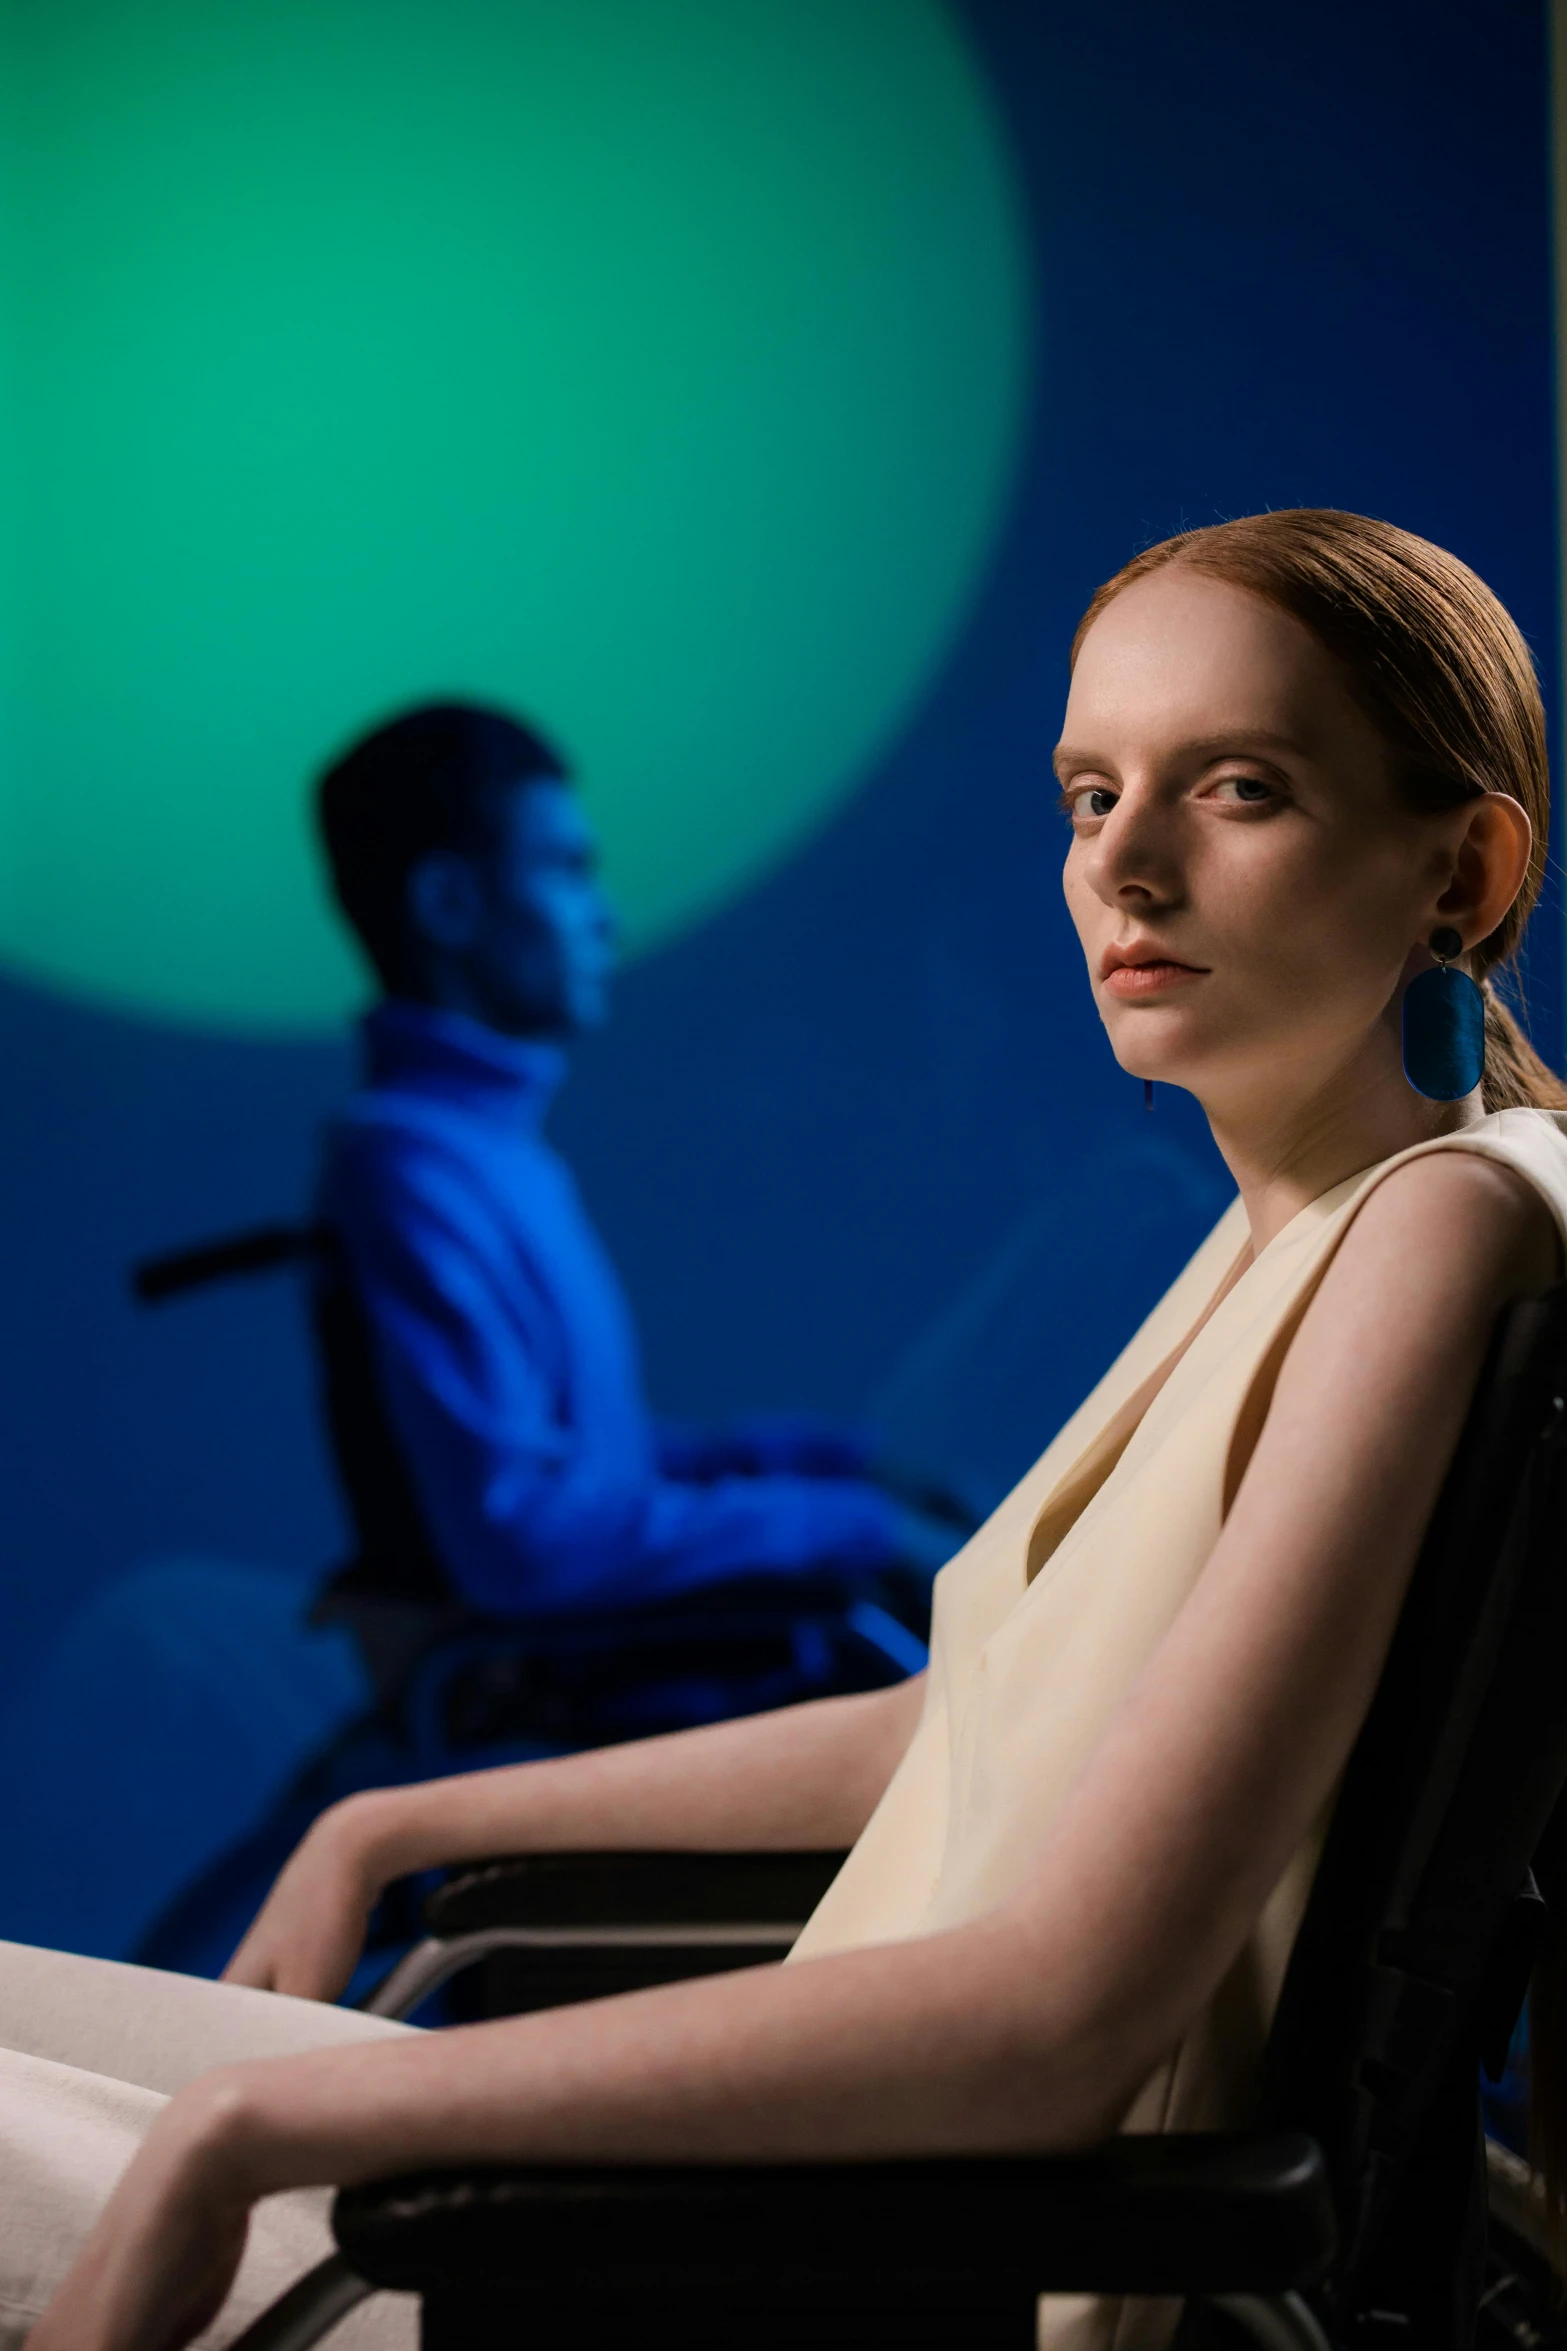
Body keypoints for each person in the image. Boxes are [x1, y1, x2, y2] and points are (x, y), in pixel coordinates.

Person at [11, 508, 1567, 2351]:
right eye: (1087, 795)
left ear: (1460, 871)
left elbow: (1062, 2015)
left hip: (857, 2262)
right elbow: (958, 1724)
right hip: (806, 2187)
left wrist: (255, 2125)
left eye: (1233, 787)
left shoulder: (1434, 1223)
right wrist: (389, 1816)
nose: (1121, 869)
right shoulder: (1301, 1222)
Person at [307, 701, 947, 1703]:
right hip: (589, 1703)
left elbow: (588, 1473)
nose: (605, 913)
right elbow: (522, 1540)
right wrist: (847, 1522)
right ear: (447, 905)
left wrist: (823, 1463)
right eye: (565, 870)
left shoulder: (489, 1155)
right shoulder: (406, 1168)